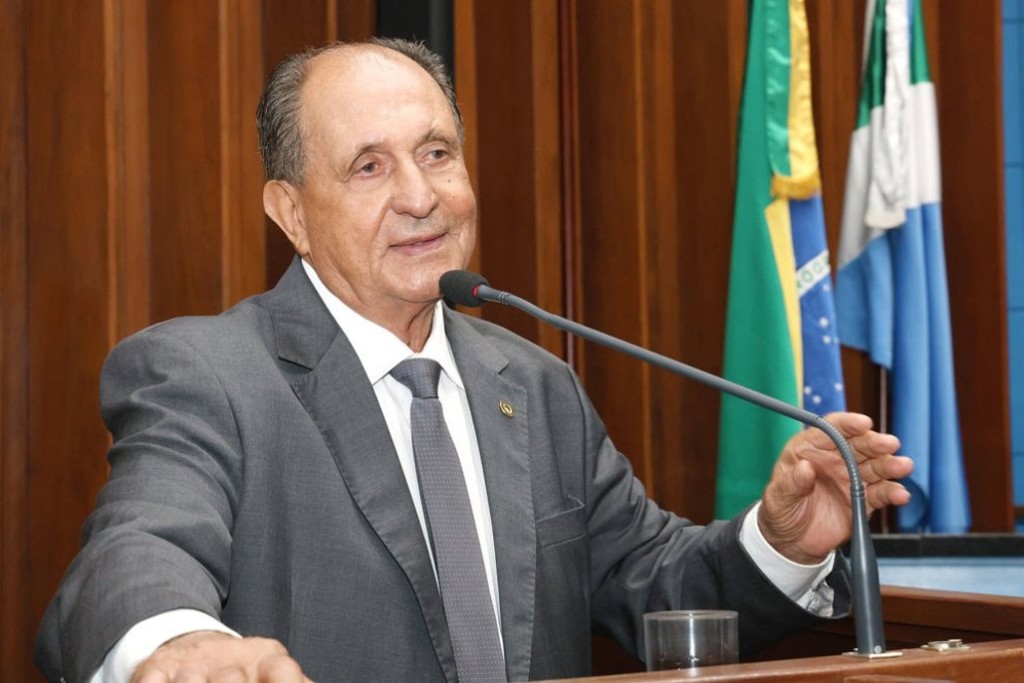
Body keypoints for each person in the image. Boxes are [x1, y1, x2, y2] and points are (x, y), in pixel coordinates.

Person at [35, 38, 913, 683]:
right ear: (292, 213)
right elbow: (137, 545)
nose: (421, 196)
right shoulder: (209, 375)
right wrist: (177, 642)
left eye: (436, 154)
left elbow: (652, 583)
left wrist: (780, 542)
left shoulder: (535, 384)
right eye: (369, 167)